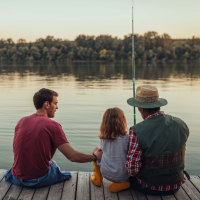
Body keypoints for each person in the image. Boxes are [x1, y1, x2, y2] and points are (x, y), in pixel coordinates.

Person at [5, 88, 101, 187]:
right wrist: (94, 157)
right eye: (55, 103)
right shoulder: (53, 125)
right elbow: (72, 156)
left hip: (17, 177)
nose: (57, 107)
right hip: (38, 179)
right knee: (60, 171)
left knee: (49, 162)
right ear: (47, 104)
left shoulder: (22, 121)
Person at [126, 85, 189, 195]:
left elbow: (132, 170)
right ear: (158, 105)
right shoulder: (181, 124)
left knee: (128, 179)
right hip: (176, 185)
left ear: (139, 108)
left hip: (149, 187)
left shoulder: (136, 131)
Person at [91, 107, 130, 192]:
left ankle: (97, 177)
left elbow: (103, 152)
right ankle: (124, 183)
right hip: (124, 175)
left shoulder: (103, 138)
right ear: (122, 121)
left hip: (106, 173)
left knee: (96, 150)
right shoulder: (128, 138)